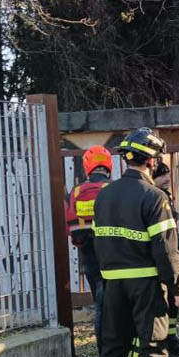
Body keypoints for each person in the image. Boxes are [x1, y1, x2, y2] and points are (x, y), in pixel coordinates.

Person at [91, 128, 179, 357]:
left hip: (112, 284)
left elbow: (98, 242)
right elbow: (165, 248)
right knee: (152, 346)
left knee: (112, 347)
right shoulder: (155, 197)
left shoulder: (104, 195)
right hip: (146, 284)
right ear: (152, 162)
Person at [66, 145, 113, 345]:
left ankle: (103, 348)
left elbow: (69, 225)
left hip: (87, 253)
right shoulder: (112, 188)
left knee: (99, 303)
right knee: (114, 302)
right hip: (112, 252)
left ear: (87, 166)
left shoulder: (76, 191)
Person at [151, 156, 179, 356]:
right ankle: (164, 338)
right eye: (160, 175)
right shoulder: (154, 198)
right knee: (164, 300)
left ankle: (171, 337)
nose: (166, 178)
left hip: (173, 252)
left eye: (167, 174)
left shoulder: (166, 196)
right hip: (162, 258)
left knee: (173, 302)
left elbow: (175, 229)